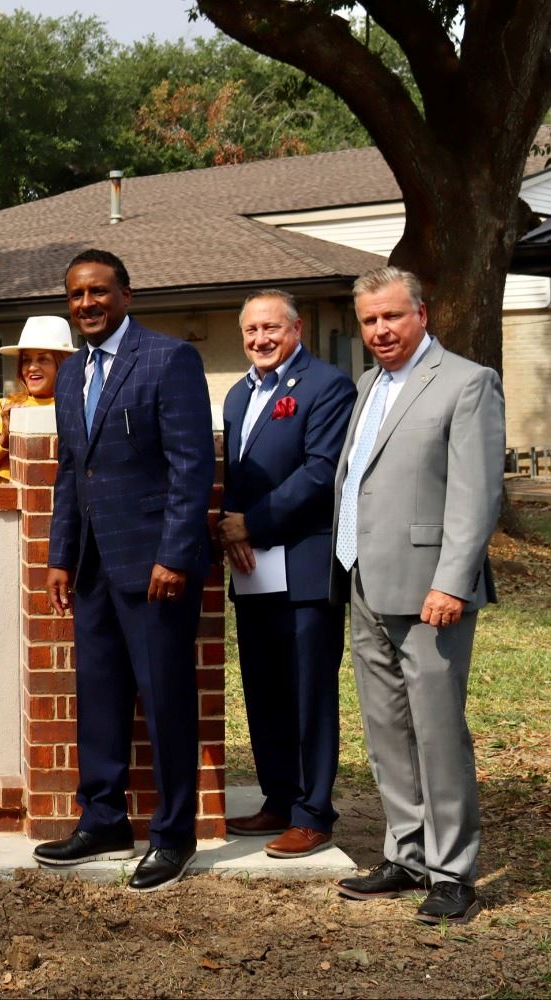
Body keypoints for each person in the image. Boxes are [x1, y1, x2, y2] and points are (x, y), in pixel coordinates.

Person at [32, 250, 215, 891]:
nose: (87, 304)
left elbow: (193, 468)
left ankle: (173, 835)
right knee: (101, 700)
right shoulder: (69, 374)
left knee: (165, 702)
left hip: (154, 567)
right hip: (92, 571)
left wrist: (174, 554)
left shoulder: (169, 360)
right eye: (77, 294)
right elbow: (68, 474)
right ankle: (105, 818)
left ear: (126, 295)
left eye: (99, 292)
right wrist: (60, 556)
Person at [331, 267, 504, 925]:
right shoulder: (368, 384)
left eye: (392, 317)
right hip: (366, 582)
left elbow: (476, 493)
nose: (380, 331)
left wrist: (452, 581)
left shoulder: (466, 383)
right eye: (370, 320)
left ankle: (454, 872)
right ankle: (406, 854)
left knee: (436, 734)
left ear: (422, 314)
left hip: (432, 590)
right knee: (387, 733)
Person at [215, 290, 355, 859]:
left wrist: (251, 524)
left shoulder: (327, 387)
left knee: (308, 690)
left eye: (271, 328)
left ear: (296, 329)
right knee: (265, 687)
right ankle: (278, 796)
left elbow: (321, 475)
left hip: (303, 562)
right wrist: (229, 528)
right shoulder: (235, 394)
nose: (260, 340)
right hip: (251, 569)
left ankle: (313, 812)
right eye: (250, 331)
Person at [0, 316, 76, 484]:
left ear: (62, 364)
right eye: (26, 360)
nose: (32, 367)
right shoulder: (1, 409)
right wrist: (3, 441)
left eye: (43, 359)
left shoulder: (78, 409)